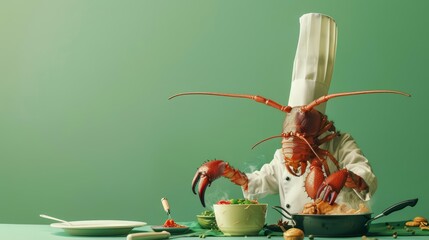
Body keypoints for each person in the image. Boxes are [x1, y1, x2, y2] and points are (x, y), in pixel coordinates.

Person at [242, 13, 377, 214]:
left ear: (322, 120)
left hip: (338, 227)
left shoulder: (340, 144)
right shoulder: (283, 153)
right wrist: (231, 173)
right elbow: (259, 182)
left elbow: (365, 177)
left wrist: (348, 177)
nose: (297, 126)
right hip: (292, 230)